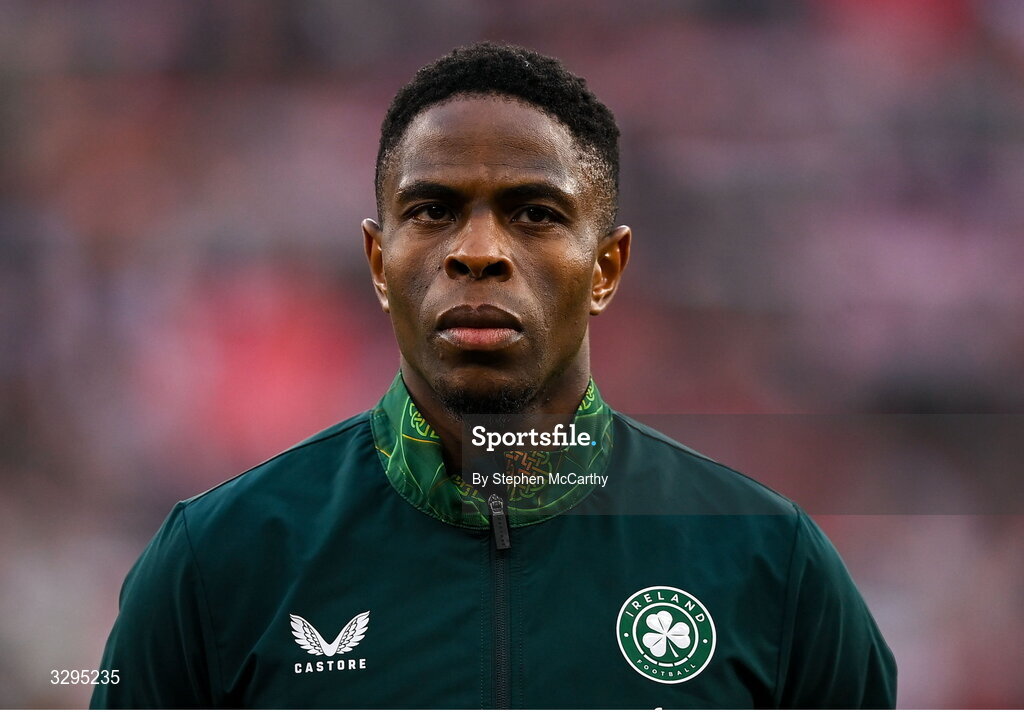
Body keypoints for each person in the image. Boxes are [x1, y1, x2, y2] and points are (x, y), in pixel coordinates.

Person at [91, 42, 896, 708]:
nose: (479, 250)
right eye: (433, 210)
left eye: (534, 213)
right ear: (378, 261)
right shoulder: (219, 561)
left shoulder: (769, 563)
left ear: (608, 266)